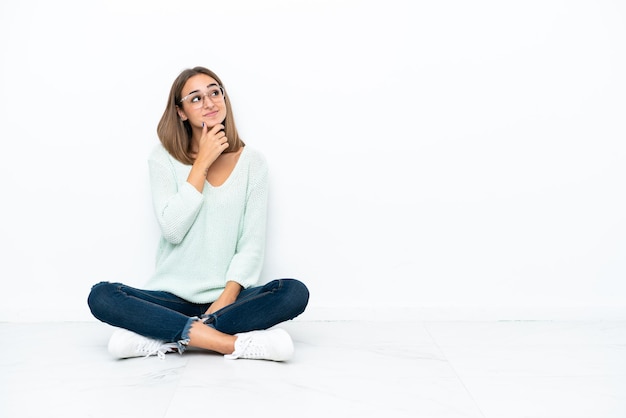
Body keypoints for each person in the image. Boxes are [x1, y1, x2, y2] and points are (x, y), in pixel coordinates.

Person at [87, 66, 309, 362]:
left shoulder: (252, 162)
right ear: (180, 112)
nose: (209, 102)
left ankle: (163, 336)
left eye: (215, 92)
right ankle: (230, 344)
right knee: (101, 295)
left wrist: (225, 299)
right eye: (195, 98)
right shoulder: (162, 158)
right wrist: (202, 163)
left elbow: (251, 245)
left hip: (228, 301)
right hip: (169, 299)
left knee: (294, 292)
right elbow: (172, 229)